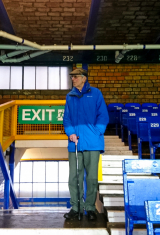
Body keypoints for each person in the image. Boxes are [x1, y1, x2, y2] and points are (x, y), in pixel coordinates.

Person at [63, 68, 109, 221]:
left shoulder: (96, 93)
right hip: (75, 143)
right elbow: (67, 118)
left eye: (75, 77)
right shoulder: (70, 96)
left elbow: (103, 115)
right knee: (74, 178)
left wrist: (97, 132)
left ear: (83, 78)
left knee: (91, 178)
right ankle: (76, 207)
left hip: (93, 142)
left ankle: (89, 207)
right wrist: (70, 133)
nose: (73, 79)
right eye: (72, 77)